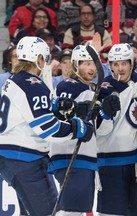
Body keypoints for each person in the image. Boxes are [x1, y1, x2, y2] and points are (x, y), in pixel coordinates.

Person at [0, 36, 93, 216]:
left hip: (10, 156)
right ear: (39, 59)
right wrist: (76, 128)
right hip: (23, 159)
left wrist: (59, 104)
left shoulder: (14, 80)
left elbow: (30, 109)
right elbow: (48, 128)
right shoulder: (32, 84)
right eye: (45, 57)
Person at [48, 43, 103, 215]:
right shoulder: (68, 86)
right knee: (71, 210)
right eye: (85, 63)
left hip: (85, 156)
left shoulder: (92, 89)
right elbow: (60, 115)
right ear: (75, 65)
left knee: (77, 210)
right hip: (69, 155)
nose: (91, 67)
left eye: (93, 63)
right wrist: (78, 109)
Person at [96, 43, 137, 216]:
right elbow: (98, 130)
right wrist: (105, 114)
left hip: (136, 162)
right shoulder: (103, 89)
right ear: (109, 66)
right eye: (115, 64)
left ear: (131, 63)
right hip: (110, 160)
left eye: (124, 63)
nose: (120, 68)